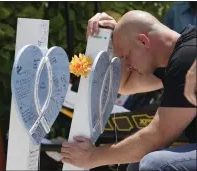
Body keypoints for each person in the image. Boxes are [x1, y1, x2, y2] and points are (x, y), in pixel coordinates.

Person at [61, 10, 196, 171]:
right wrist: (107, 39)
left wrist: (92, 157)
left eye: (125, 56)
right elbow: (124, 85)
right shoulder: (172, 61)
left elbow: (158, 136)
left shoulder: (187, 57)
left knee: (154, 164)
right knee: (136, 162)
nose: (127, 65)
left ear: (143, 42)